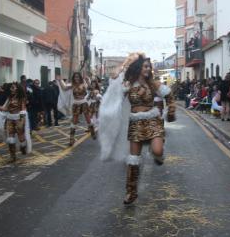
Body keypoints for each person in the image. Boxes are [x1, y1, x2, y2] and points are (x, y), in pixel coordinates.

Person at [98, 53, 176, 205]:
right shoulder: (128, 84)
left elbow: (168, 94)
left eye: (149, 67)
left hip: (153, 120)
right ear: (138, 68)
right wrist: (122, 67)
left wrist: (171, 110)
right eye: (145, 66)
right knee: (133, 160)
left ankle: (157, 156)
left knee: (158, 151)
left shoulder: (153, 84)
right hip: (135, 124)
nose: (148, 69)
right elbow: (114, 85)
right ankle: (131, 192)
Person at [0, 82, 30, 162]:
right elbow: (5, 109)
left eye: (13, 88)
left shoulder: (21, 98)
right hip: (10, 119)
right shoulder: (9, 98)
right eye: (11, 88)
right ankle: (12, 156)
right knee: (10, 138)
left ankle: (23, 147)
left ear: (17, 89)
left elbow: (23, 110)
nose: (11, 89)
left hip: (18, 119)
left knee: (21, 137)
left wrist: (22, 121)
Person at [57, 72, 95, 146]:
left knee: (88, 119)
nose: (76, 78)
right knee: (74, 121)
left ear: (80, 78)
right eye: (75, 77)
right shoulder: (72, 85)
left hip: (83, 103)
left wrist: (88, 80)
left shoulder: (84, 84)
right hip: (76, 104)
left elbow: (91, 89)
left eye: (78, 77)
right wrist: (60, 80)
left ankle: (92, 130)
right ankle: (71, 139)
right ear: (73, 78)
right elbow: (64, 88)